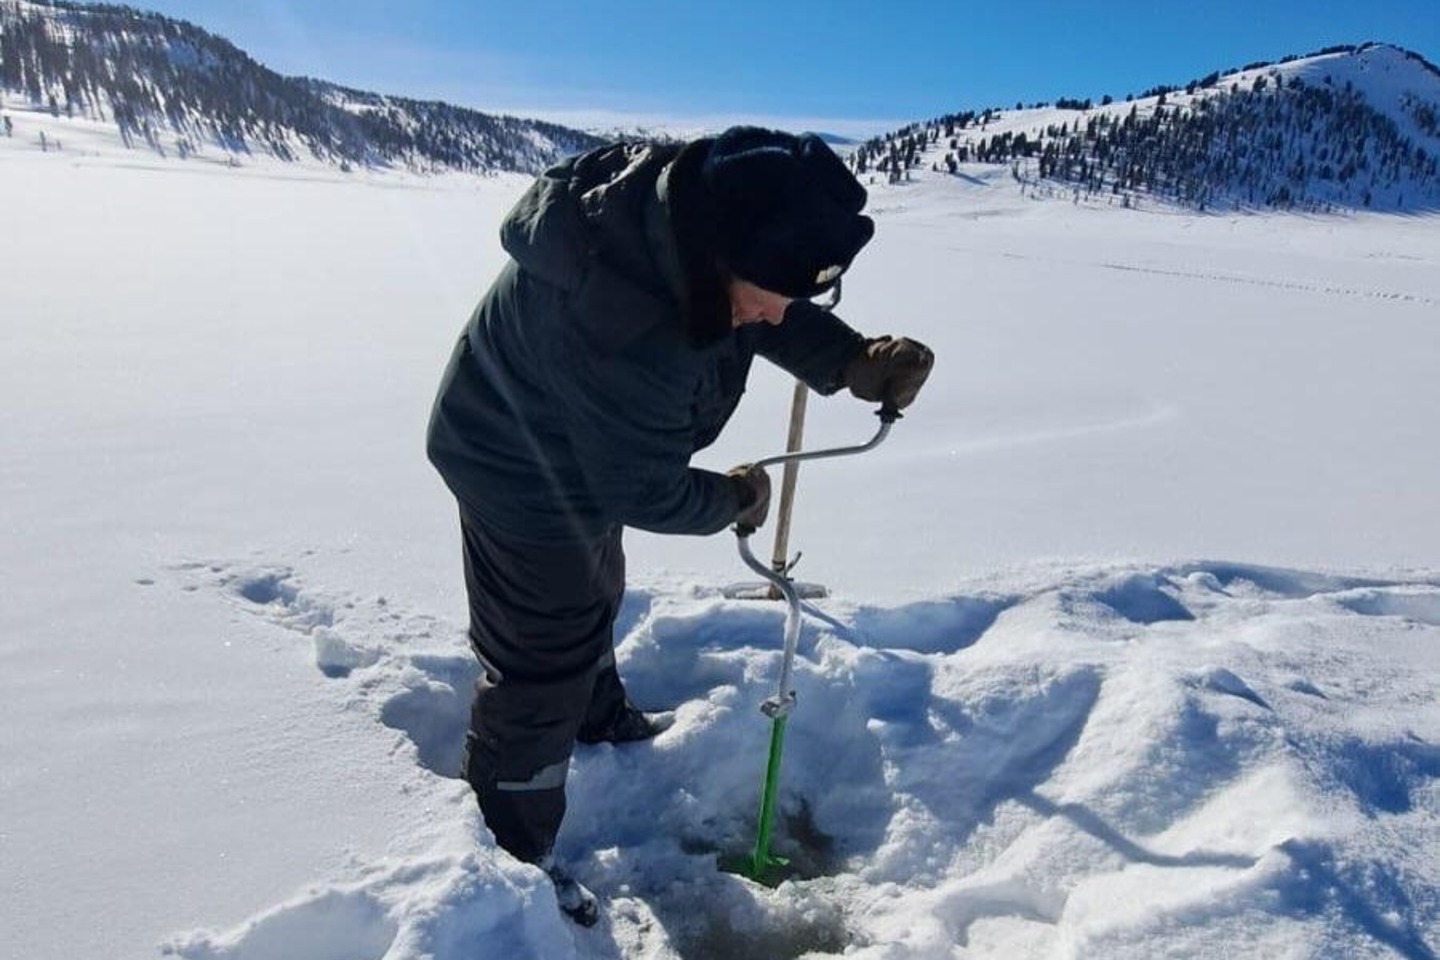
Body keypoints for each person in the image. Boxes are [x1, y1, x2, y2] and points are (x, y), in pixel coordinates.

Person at [426, 126, 932, 923]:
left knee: (593, 585)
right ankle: (513, 861)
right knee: (539, 659)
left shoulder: (696, 223)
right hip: (513, 464)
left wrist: (850, 360)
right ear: (719, 258)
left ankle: (594, 716)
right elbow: (641, 487)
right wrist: (735, 499)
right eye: (773, 292)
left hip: (572, 449)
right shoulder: (624, 320)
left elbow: (760, 300)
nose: (776, 313)